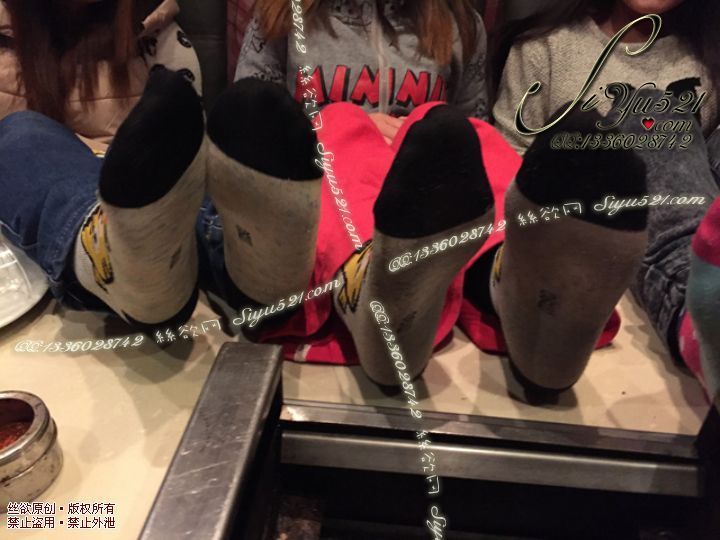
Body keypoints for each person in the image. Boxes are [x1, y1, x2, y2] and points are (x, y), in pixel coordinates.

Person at [224, 0, 651, 396]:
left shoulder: (459, 23)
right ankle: (367, 289)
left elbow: (467, 145)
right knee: (339, 122)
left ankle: (514, 283)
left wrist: (422, 132)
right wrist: (340, 126)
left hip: (422, 205)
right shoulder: (280, 14)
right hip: (327, 193)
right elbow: (256, 130)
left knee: (464, 131)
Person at [491, 0, 720, 401]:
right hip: (581, 256)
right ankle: (698, 316)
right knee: (652, 117)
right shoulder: (544, 48)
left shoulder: (710, 62)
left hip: (676, 244)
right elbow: (507, 167)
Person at [0, 0, 204, 331]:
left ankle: (241, 262)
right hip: (32, 227)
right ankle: (116, 258)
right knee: (20, 133)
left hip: (146, 204)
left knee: (180, 165)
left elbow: (185, 148)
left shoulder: (155, 28)